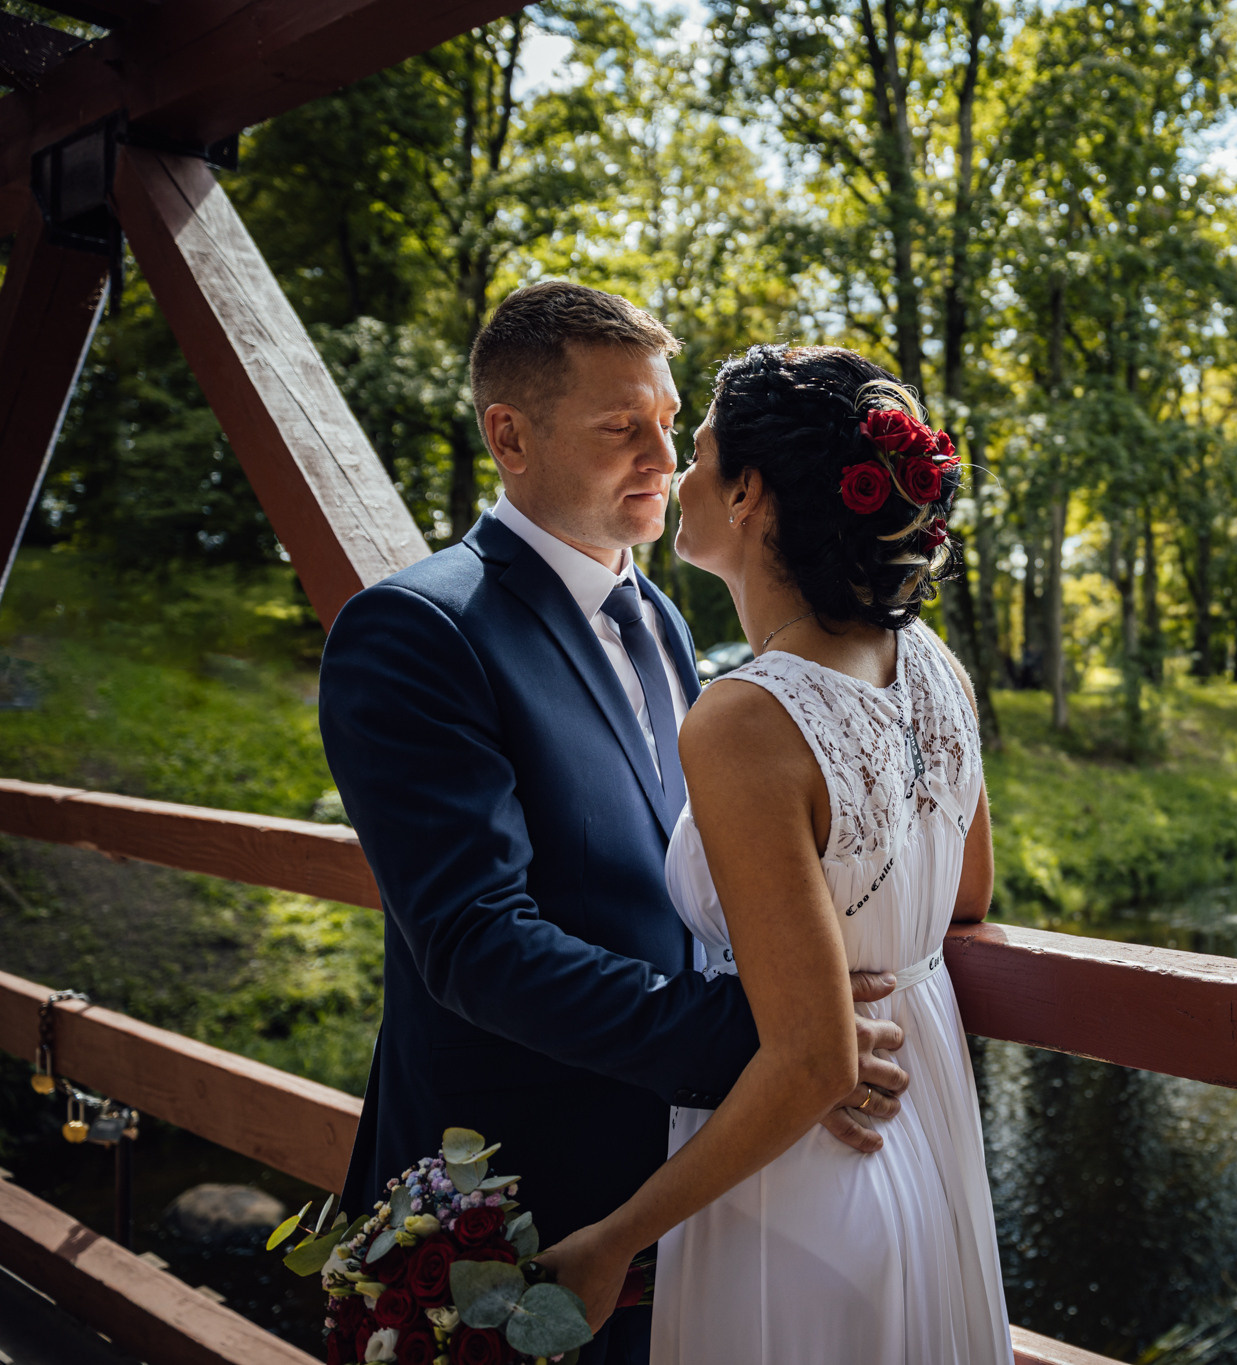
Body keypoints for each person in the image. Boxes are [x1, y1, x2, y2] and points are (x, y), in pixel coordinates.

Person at [319, 286, 911, 1365]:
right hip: (507, 1203)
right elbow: (473, 942)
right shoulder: (415, 632)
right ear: (509, 435)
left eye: (670, 421)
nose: (665, 455)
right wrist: (771, 1043)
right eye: (619, 427)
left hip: (665, 1190)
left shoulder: (666, 621)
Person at [536, 346, 1012, 1362]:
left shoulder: (745, 718)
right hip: (926, 1127)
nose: (678, 474)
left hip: (804, 1169)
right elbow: (965, 895)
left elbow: (809, 1061)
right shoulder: (933, 667)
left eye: (700, 455)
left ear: (750, 495)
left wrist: (614, 1242)